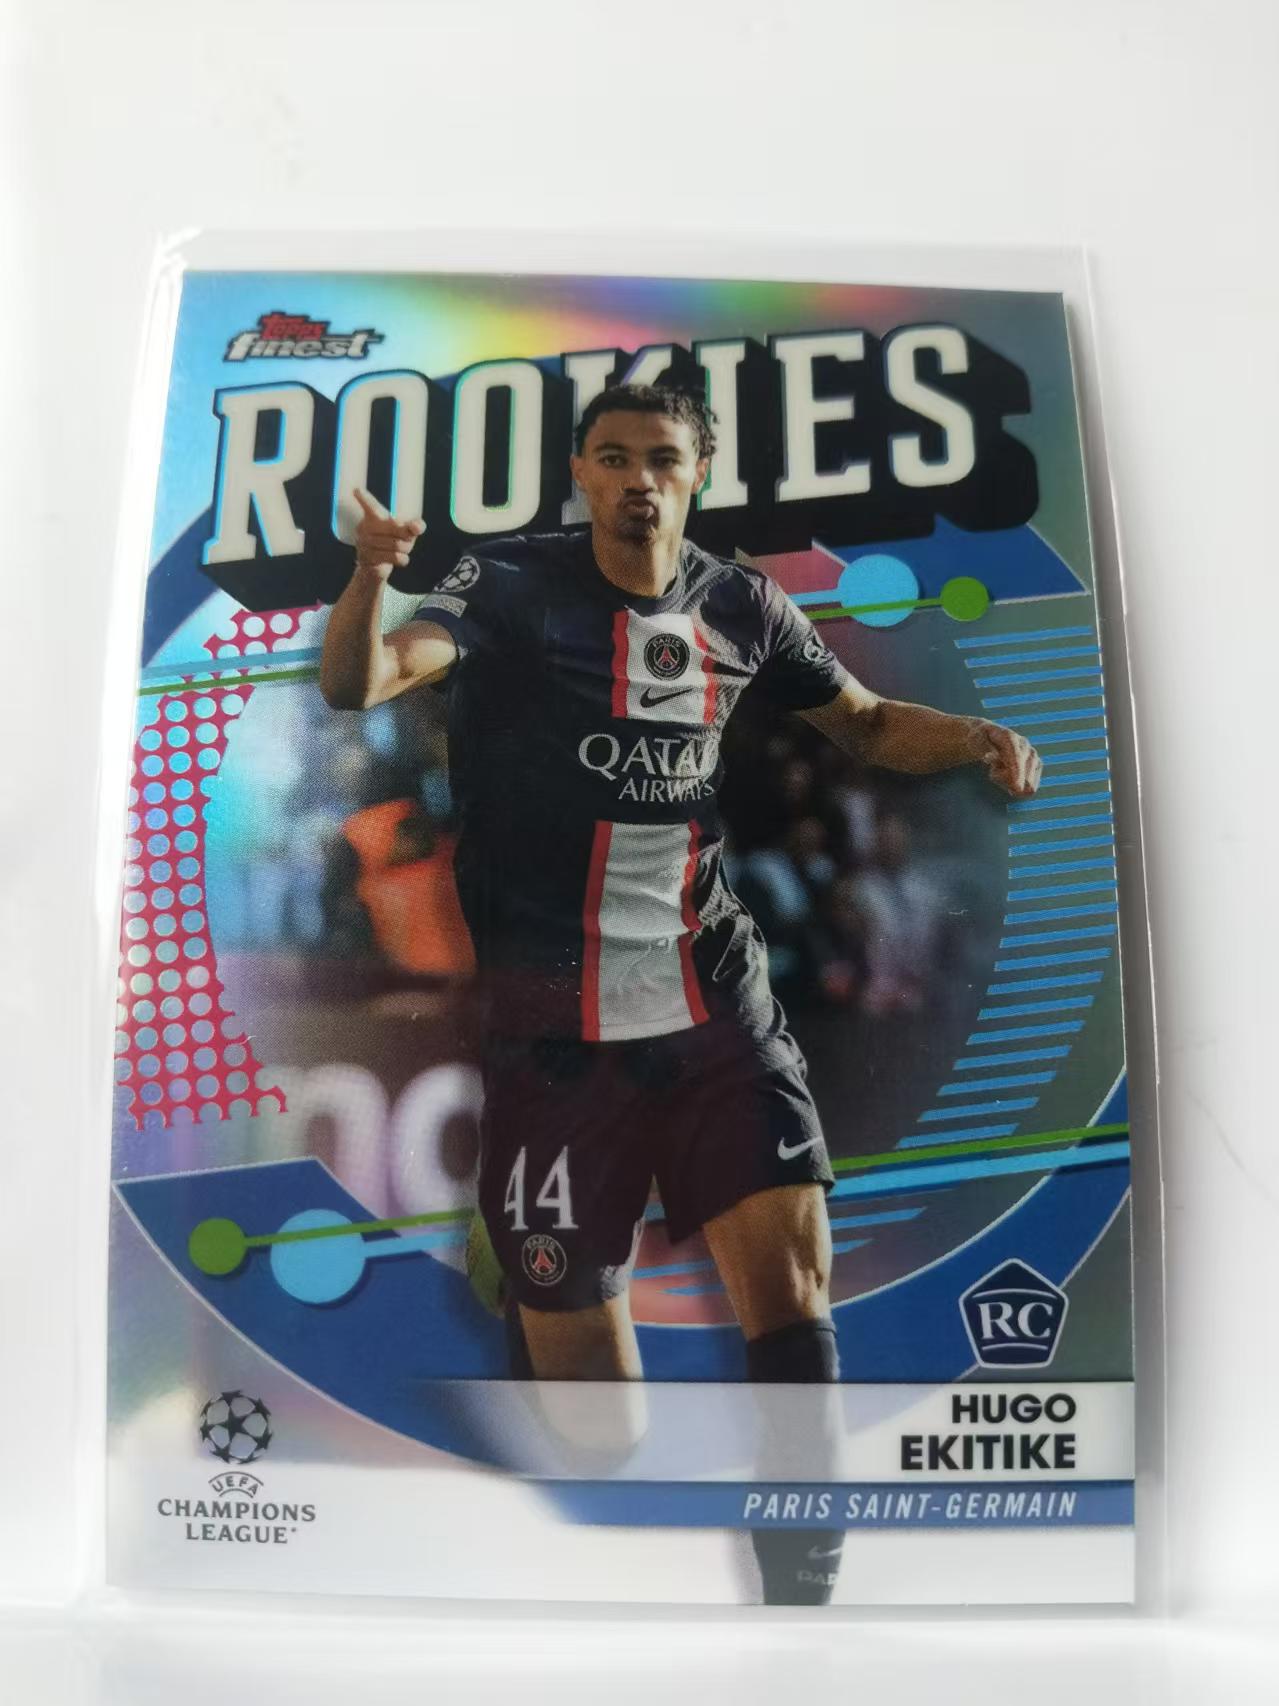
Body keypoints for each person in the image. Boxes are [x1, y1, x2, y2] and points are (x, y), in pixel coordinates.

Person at [319, 383, 1041, 1604]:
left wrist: (971, 736)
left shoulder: (742, 603)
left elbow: (867, 724)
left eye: (661, 458)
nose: (636, 479)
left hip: (716, 1006)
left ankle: (803, 1583)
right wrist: (369, 577)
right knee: (600, 1432)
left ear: (696, 474)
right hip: (556, 1039)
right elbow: (366, 680)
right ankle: (525, 1276)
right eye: (612, 458)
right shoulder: (508, 583)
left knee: (792, 1292)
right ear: (581, 474)